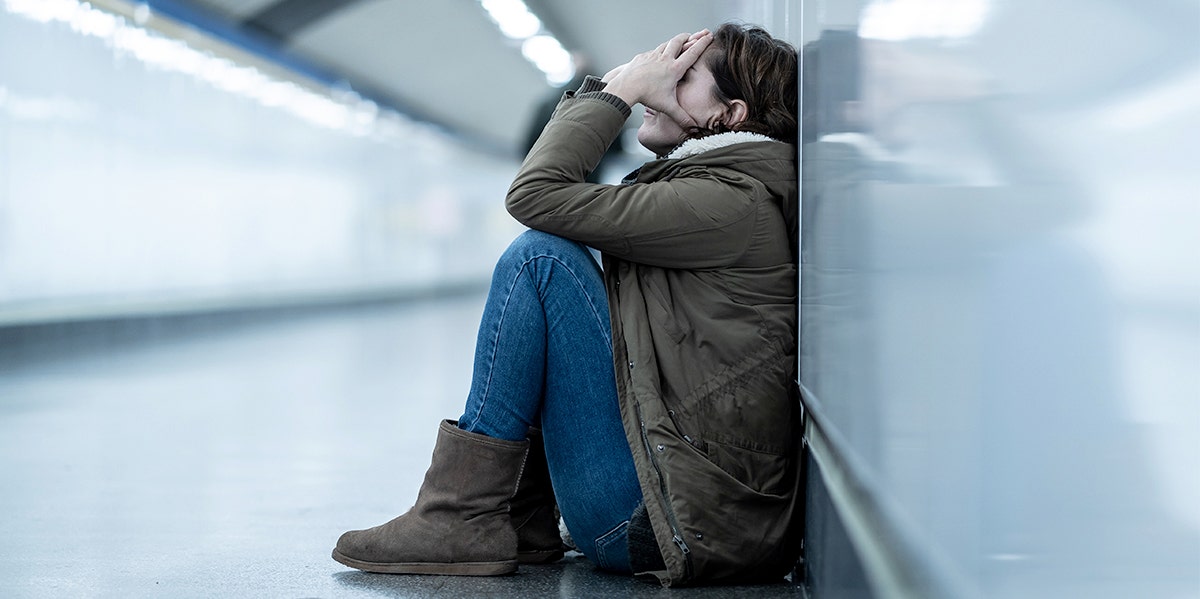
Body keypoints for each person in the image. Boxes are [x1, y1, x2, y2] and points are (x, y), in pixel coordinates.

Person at [332, 23, 802, 587]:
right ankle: (512, 517)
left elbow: (535, 195)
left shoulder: (728, 201)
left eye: (682, 73)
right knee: (555, 269)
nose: (659, 76)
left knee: (541, 259)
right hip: (683, 500)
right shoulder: (722, 187)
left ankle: (461, 516)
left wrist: (620, 90)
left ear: (728, 114)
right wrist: (617, 88)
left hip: (666, 520)